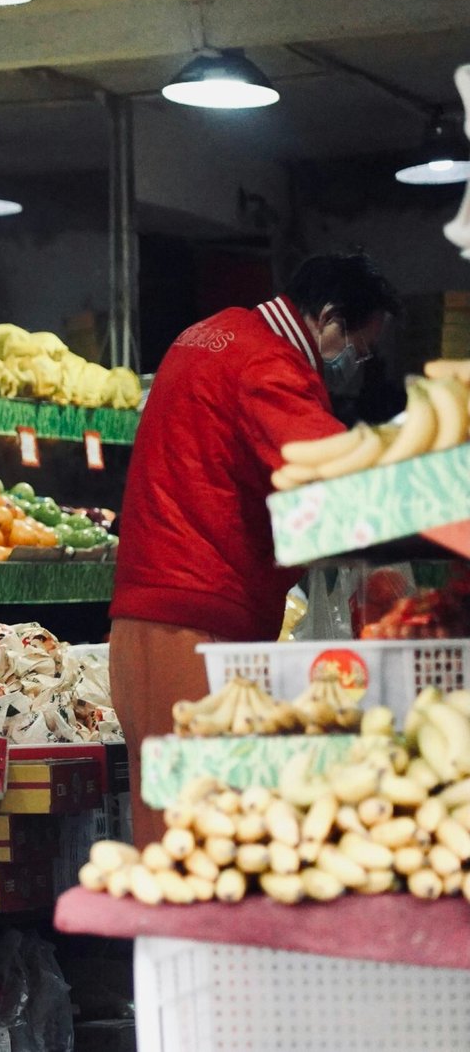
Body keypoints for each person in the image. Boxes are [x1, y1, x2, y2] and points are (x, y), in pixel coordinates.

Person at [109, 253, 399, 844]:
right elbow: (334, 475)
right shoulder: (267, 363)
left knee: (167, 829)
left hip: (147, 621)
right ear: (329, 319)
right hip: (198, 627)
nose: (354, 365)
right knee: (206, 835)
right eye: (359, 349)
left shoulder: (209, 334)